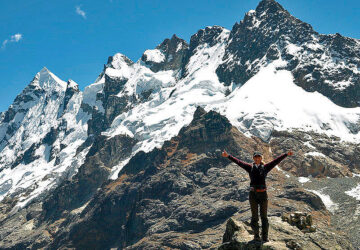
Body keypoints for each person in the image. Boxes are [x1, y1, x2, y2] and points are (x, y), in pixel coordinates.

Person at [222, 149, 293, 242]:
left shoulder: (265, 167)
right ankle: (256, 236)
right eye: (255, 157)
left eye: (258, 157)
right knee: (254, 216)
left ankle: (265, 237)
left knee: (264, 217)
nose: (257, 159)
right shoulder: (250, 167)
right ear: (253, 158)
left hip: (263, 194)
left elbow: (276, 161)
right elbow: (239, 162)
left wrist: (286, 154)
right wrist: (228, 156)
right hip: (253, 195)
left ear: (261, 158)